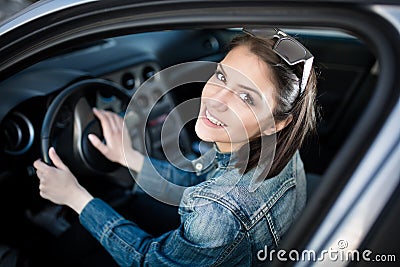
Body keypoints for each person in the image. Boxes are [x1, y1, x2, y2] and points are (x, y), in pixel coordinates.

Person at [33, 27, 317, 266]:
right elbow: (201, 181)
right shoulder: (278, 151)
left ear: (275, 124)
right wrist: (130, 157)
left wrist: (76, 198)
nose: (216, 100)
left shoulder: (217, 212)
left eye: (246, 97)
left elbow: (149, 261)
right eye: (221, 76)